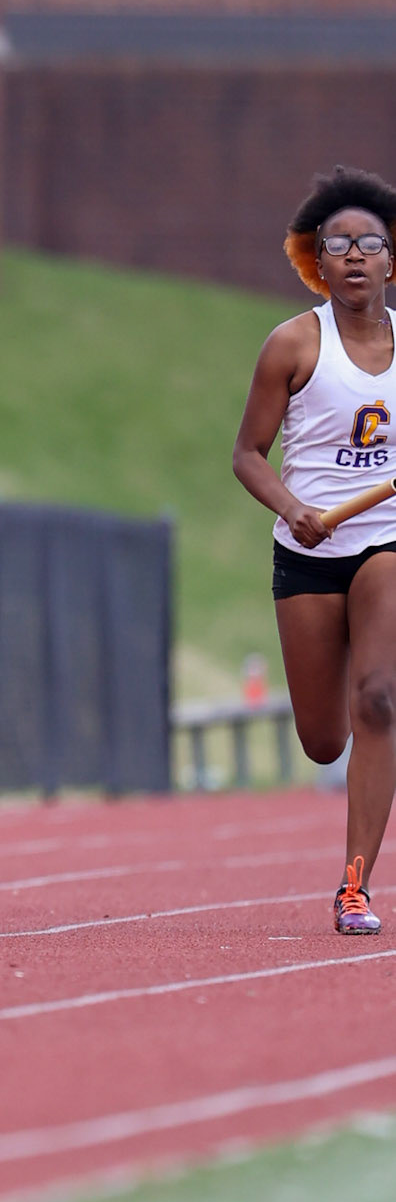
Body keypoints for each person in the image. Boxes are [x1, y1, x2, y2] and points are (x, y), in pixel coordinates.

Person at [233, 164, 396, 935]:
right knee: (325, 735)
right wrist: (294, 509)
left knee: (381, 700)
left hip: (385, 543)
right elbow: (248, 455)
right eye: (341, 245)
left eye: (372, 244)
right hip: (307, 551)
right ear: (318, 261)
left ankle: (355, 885)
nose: (357, 256)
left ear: (392, 261)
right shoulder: (293, 344)